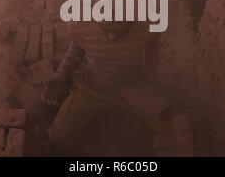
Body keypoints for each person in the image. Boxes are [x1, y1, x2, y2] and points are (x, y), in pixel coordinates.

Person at [42, 19, 156, 155]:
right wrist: (60, 76)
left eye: (119, 32)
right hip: (92, 89)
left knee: (169, 125)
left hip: (132, 88)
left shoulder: (147, 27)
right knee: (58, 140)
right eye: (106, 31)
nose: (111, 38)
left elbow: (153, 49)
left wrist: (149, 77)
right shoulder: (83, 27)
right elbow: (77, 46)